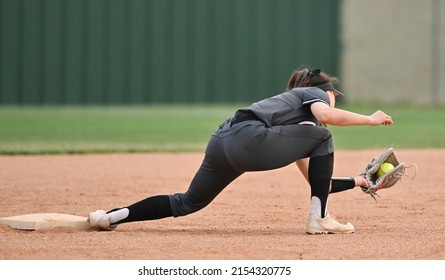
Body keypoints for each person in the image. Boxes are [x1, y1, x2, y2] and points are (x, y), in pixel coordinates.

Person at [88, 68, 393, 234]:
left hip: (223, 141)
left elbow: (320, 185)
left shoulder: (298, 132)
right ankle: (321, 220)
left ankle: (112, 217)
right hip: (252, 138)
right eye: (332, 95)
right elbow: (326, 117)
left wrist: (358, 181)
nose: (331, 100)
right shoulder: (314, 93)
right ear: (326, 91)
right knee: (323, 135)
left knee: (189, 202)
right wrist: (370, 119)